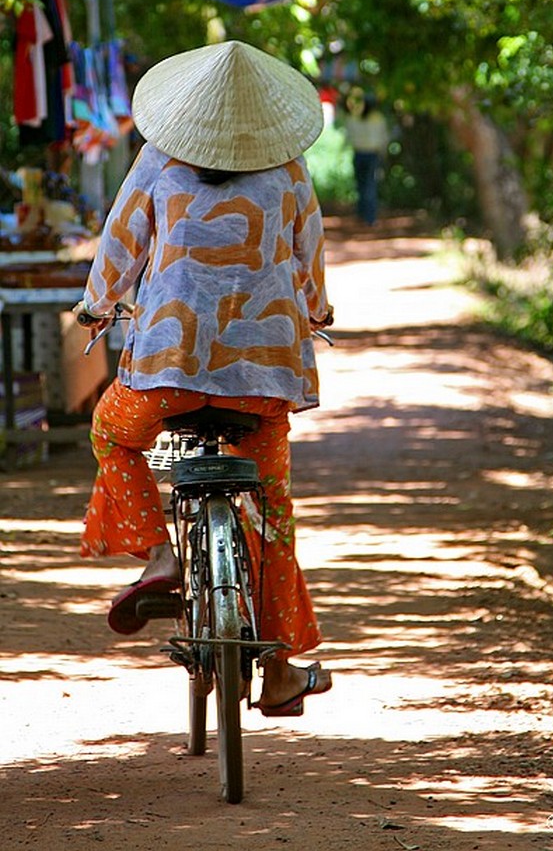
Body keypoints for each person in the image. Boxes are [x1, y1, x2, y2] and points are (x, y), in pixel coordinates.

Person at [74, 40, 334, 717]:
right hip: (264, 375)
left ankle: (160, 554)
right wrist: (316, 311)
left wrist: (97, 307)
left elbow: (122, 241)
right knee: (272, 512)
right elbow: (309, 255)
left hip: (169, 368)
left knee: (112, 433)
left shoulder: (159, 160)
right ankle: (277, 669)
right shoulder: (288, 168)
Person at [343, 93, 388, 226]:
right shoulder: (378, 118)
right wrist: (383, 153)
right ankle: (369, 217)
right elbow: (383, 138)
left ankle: (363, 215)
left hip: (359, 154)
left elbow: (348, 137)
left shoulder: (354, 117)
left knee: (362, 184)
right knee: (369, 185)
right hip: (372, 155)